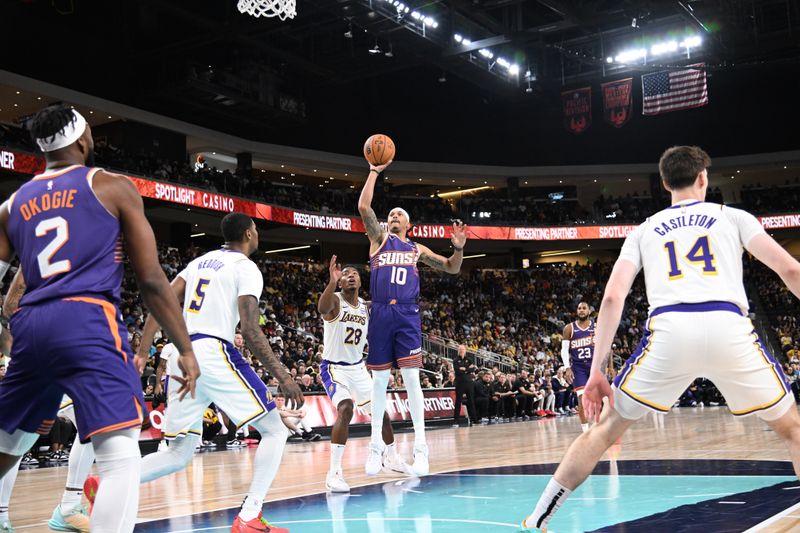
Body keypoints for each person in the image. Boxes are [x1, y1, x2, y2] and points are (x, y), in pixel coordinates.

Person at [521, 145, 800, 531]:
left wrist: (599, 368)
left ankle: (537, 518)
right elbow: (790, 269)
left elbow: (613, 296)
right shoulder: (733, 216)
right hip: (728, 325)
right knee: (793, 429)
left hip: (670, 332)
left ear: (665, 183)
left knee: (605, 430)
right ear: (704, 178)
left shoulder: (644, 229)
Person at [0, 104, 198, 533]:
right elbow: (150, 278)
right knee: (120, 453)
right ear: (81, 141)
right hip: (85, 318)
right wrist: (184, 347)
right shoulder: (111, 186)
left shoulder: (12, 204)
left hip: (30, 324)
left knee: (10, 440)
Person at [127, 212, 303, 533]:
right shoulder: (246, 268)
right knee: (275, 431)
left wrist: (143, 351)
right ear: (249, 234)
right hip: (211, 350)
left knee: (179, 453)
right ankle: (249, 516)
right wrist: (283, 376)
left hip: (181, 354)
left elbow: (161, 301)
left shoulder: (199, 262)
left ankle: (108, 483)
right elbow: (250, 329)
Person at [358, 160, 467, 477]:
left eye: (399, 216)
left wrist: (457, 249)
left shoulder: (417, 249)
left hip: (407, 314)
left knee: (411, 381)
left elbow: (451, 267)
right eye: (390, 214)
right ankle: (375, 447)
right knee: (379, 381)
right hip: (379, 311)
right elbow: (364, 205)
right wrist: (374, 172)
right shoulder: (377, 240)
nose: (393, 217)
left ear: (408, 225)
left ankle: (421, 449)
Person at [318, 256, 408, 492]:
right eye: (345, 274)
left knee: (383, 416)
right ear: (340, 282)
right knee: (346, 408)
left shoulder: (367, 308)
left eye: (354, 274)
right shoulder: (335, 301)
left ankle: (392, 458)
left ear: (360, 280)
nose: (350, 276)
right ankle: (334, 473)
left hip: (358, 368)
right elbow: (321, 308)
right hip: (334, 367)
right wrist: (330, 282)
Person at [561, 302, 608, 432]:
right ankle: (586, 432)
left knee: (601, 399)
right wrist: (567, 368)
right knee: (582, 399)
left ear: (589, 311)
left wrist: (605, 365)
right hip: (578, 368)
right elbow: (564, 350)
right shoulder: (569, 328)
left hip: (594, 366)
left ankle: (601, 427)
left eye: (584, 308)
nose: (581, 310)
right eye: (579, 308)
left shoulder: (596, 327)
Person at [452, 345, 477, 426]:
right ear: (458, 350)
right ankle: (456, 420)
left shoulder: (469, 359)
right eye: (460, 349)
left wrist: (464, 369)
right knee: (458, 402)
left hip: (469, 383)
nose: (462, 350)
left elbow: (473, 369)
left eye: (463, 349)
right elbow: (457, 370)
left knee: (471, 401)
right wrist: (467, 369)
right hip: (460, 383)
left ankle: (474, 419)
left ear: (465, 350)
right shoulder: (455, 360)